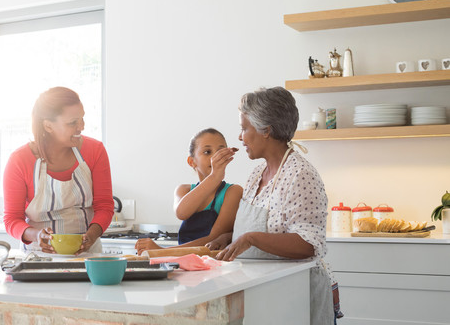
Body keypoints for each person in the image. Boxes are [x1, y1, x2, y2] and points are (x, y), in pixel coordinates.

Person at [206, 87, 341, 325]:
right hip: (264, 293)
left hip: (296, 295)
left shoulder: (300, 174)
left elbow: (309, 243)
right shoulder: (257, 173)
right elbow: (268, 228)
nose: (240, 137)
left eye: (244, 128)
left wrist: (250, 239)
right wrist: (230, 237)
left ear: (266, 130)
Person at [3, 87, 114, 255]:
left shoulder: (95, 151)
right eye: (73, 123)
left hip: (87, 254)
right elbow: (11, 219)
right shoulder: (19, 160)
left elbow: (105, 206)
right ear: (48, 126)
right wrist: (37, 235)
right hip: (38, 255)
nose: (81, 127)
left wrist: (91, 236)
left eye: (82, 119)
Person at [135, 128, 242, 254]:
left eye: (219, 152)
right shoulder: (183, 190)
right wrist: (214, 177)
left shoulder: (233, 191)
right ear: (192, 162)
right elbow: (181, 213)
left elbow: (213, 240)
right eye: (207, 152)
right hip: (184, 263)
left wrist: (161, 252)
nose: (214, 157)